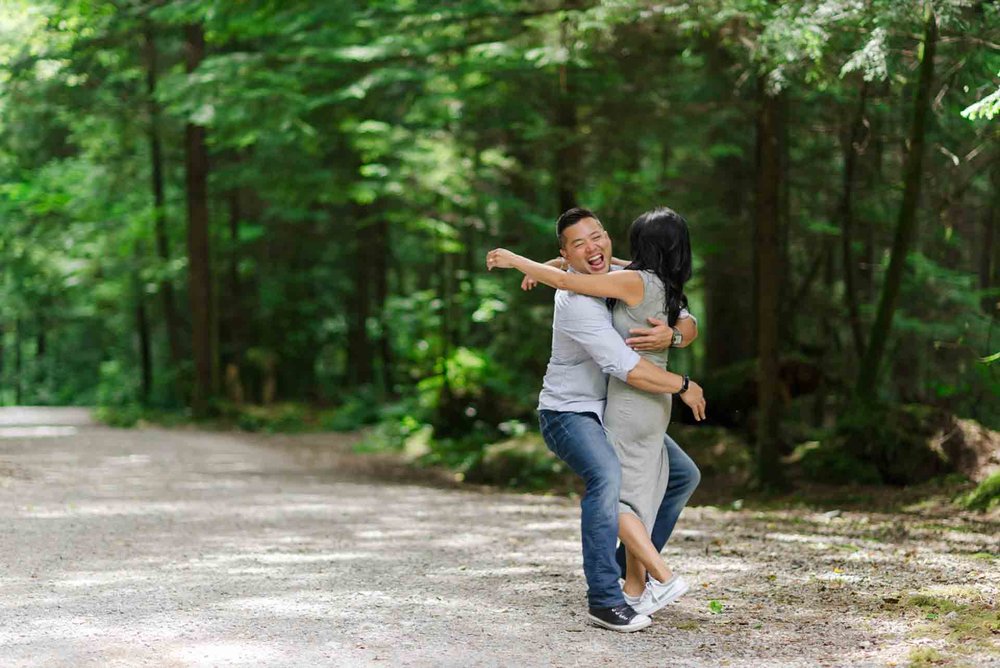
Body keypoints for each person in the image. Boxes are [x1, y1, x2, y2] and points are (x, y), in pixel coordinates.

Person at [486, 207, 705, 632]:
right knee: (608, 479)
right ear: (566, 252)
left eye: (598, 236)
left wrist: (675, 334)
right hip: (570, 411)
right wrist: (683, 384)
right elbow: (628, 366)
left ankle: (633, 568)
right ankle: (606, 599)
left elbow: (681, 312)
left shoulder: (617, 280)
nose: (593, 248)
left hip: (612, 409)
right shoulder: (577, 302)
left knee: (681, 475)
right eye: (578, 244)